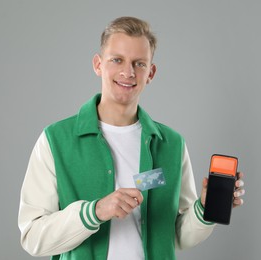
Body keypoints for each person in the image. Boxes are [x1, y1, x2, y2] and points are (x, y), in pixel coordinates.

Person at [18, 16, 245, 260]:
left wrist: (204, 208)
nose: (128, 72)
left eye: (139, 63)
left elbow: (178, 236)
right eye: (117, 60)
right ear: (98, 64)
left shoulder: (171, 144)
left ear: (151, 73)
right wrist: (94, 212)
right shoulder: (56, 140)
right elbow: (33, 237)